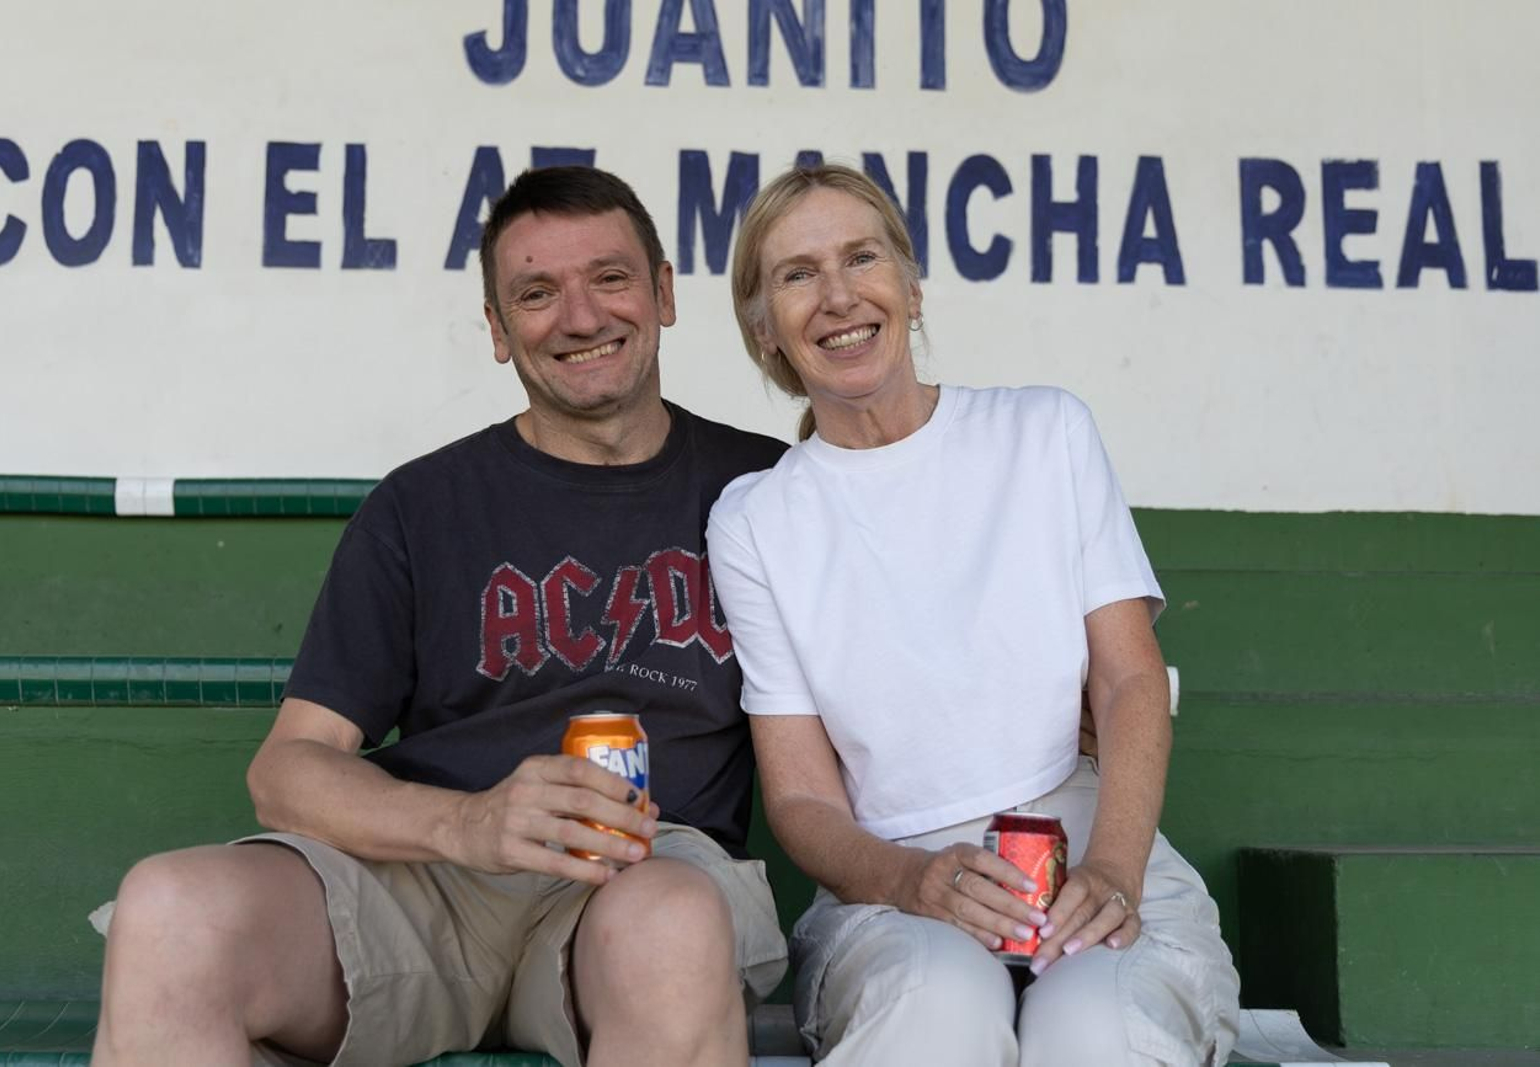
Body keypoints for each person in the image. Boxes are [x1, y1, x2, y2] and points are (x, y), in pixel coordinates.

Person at [91, 165, 788, 1067]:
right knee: (170, 912)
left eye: (610, 278)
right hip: (425, 884)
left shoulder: (767, 492)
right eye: (537, 293)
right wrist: (468, 825)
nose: (580, 317)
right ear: (499, 333)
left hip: (638, 883)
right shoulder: (421, 506)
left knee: (673, 924)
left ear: (662, 292)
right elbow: (288, 770)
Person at [706, 163, 1241, 1067]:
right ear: (764, 331)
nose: (838, 297)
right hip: (891, 880)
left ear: (911, 288)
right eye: (797, 275)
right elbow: (800, 794)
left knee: (1097, 1030)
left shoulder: (1045, 432)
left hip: (1089, 839)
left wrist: (1112, 867)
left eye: (861, 258)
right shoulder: (755, 519)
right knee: (932, 1018)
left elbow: (1128, 677)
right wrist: (911, 879)